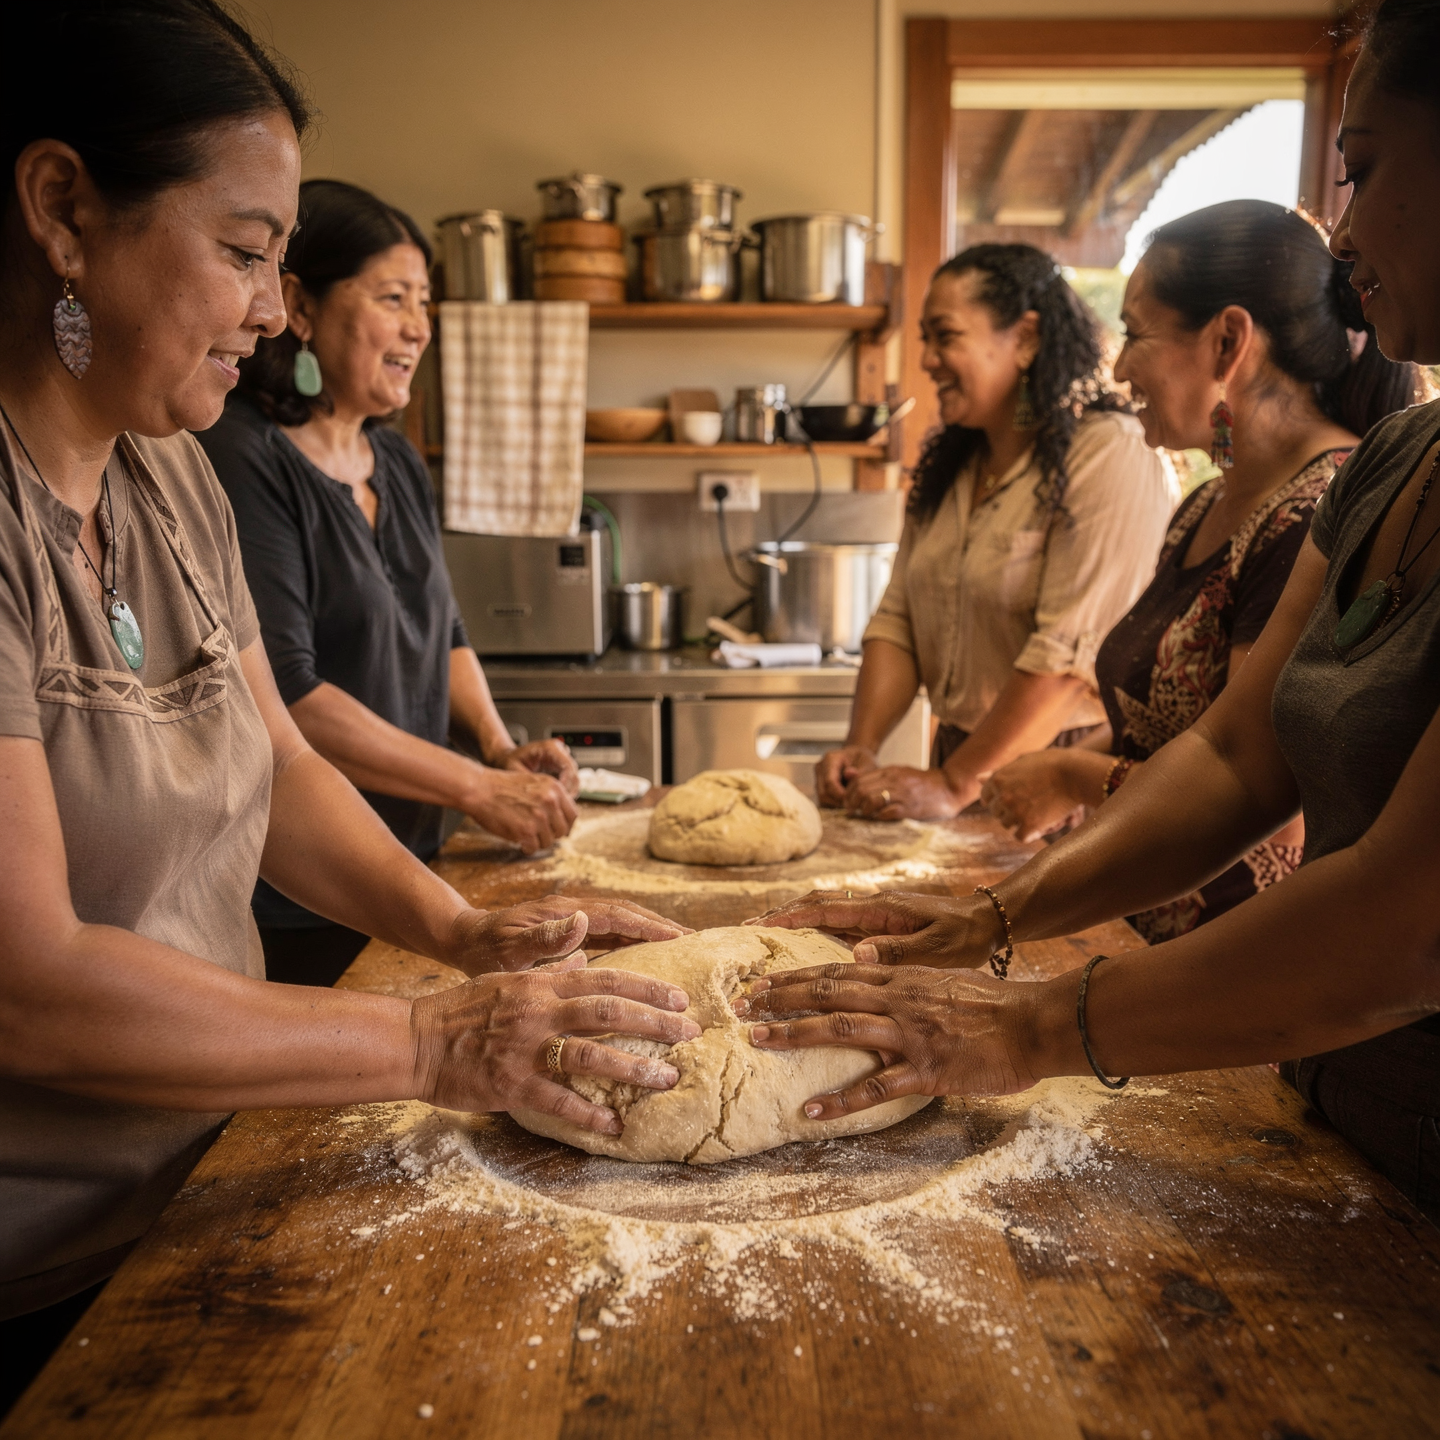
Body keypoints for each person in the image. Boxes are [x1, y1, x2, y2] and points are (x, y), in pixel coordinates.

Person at [0, 0, 693, 1360]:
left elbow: (283, 765)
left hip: (206, 1184)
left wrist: (465, 933)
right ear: (64, 208)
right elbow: (30, 980)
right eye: (246, 253)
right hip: (39, 1277)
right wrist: (434, 1049)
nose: (274, 311)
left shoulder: (169, 474)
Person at [739, 0, 1440, 1221]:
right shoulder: (1396, 466)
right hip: (1335, 1118)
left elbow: (1407, 922)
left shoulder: (1189, 469)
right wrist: (985, 921)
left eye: (1365, 169)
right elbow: (1229, 756)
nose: (1338, 234)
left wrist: (1026, 1022)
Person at [982, 200, 1421, 942]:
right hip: (1140, 937)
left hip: (1235, 964)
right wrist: (1045, 765)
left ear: (1227, 341)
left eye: (1134, 334)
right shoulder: (1207, 504)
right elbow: (1164, 732)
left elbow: (1273, 811)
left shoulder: (1321, 512)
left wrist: (1065, 778)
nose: (1118, 367)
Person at [200, 179, 579, 987]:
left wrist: (499, 747)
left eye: (425, 303)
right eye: (393, 298)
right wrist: (475, 785)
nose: (418, 327)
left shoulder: (397, 459)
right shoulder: (244, 457)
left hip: (416, 865)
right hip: (307, 894)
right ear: (299, 307)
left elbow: (442, 630)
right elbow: (293, 697)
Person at [815, 244, 1175, 822]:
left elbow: (1064, 661)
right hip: (958, 762)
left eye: (944, 336)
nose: (927, 359)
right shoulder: (952, 467)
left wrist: (958, 784)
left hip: (1060, 778)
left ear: (1026, 338)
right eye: (925, 339)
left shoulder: (1110, 454)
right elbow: (899, 619)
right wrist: (863, 745)